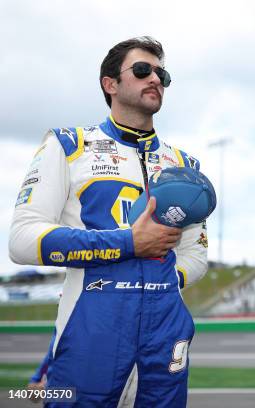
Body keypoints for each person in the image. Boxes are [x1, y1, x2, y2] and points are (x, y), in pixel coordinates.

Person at [9, 36, 208, 407]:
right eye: (142, 70)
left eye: (161, 74)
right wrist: (128, 244)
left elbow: (196, 257)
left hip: (165, 330)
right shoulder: (68, 145)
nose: (155, 79)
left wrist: (161, 282)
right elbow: (21, 240)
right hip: (92, 327)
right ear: (110, 84)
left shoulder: (186, 167)